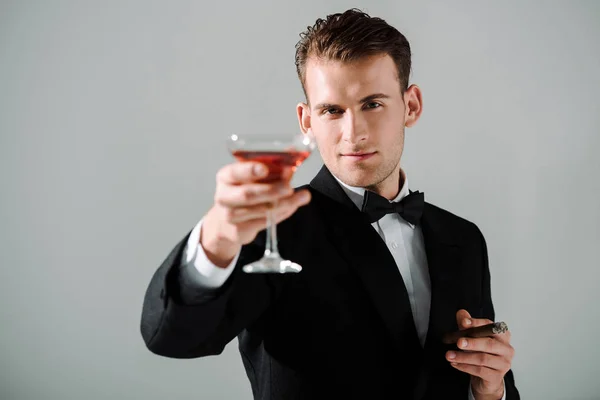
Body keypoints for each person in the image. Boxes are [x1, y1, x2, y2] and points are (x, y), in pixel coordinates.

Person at [140, 8, 520, 400]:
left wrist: (490, 390)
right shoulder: (275, 228)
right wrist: (216, 239)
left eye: (372, 104)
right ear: (307, 121)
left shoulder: (464, 238)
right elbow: (174, 338)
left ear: (412, 105)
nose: (352, 134)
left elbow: (477, 380)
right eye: (332, 111)